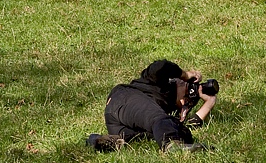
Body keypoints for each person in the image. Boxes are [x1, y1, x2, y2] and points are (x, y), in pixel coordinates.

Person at [86, 59, 217, 153]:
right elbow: (161, 66)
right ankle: (171, 144)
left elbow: (188, 125)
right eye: (185, 86)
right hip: (123, 99)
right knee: (158, 120)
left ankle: (99, 140)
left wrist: (209, 103)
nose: (184, 84)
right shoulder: (156, 82)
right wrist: (186, 74)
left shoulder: (166, 111)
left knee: (178, 131)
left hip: (119, 125)